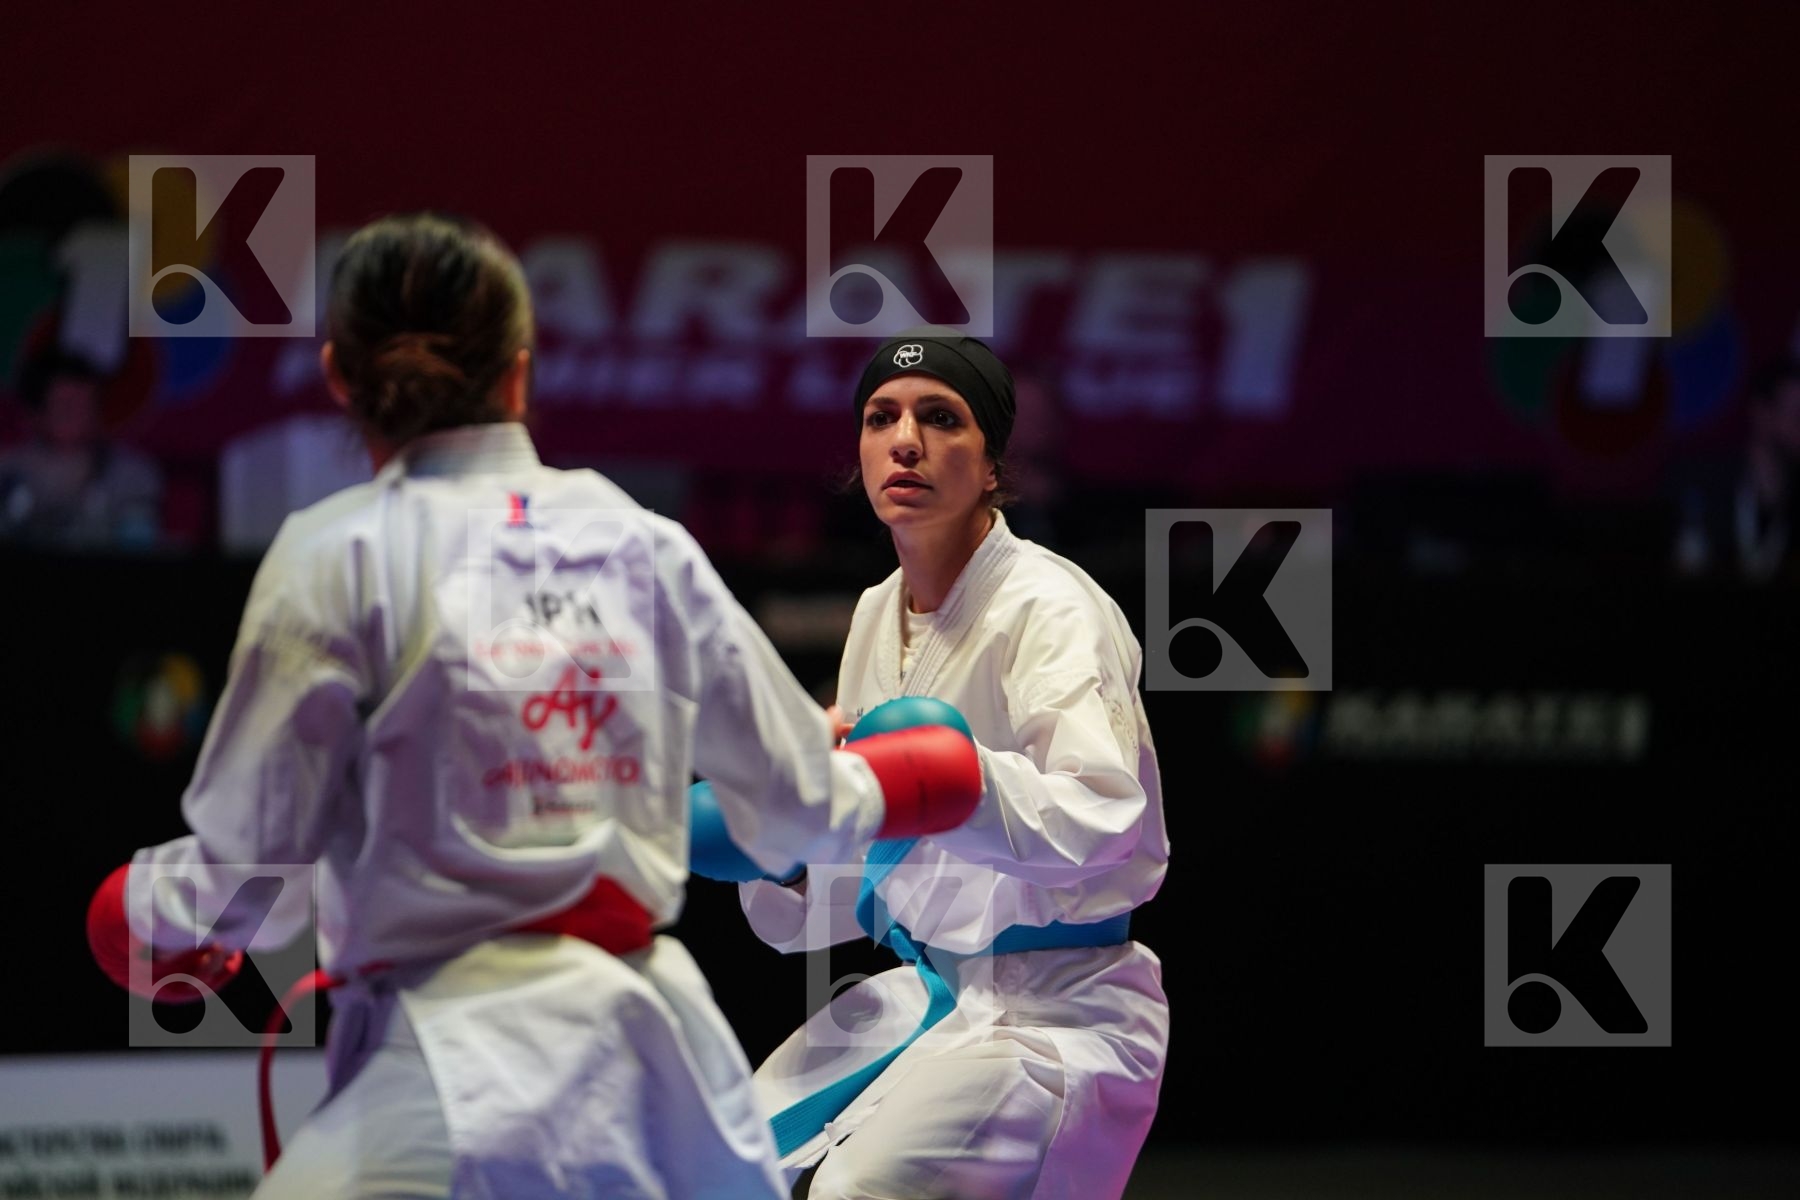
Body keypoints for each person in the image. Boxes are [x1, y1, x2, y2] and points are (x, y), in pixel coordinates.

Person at [83, 215, 983, 1199]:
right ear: (518, 377)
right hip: (658, 1077)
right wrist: (901, 782)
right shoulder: (639, 540)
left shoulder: (335, 553)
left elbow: (256, 876)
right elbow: (798, 812)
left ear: (340, 376)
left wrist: (152, 910)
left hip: (443, 1066)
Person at [736, 331, 1171, 1199]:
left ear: (993, 463)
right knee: (720, 1169)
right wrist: (786, 843)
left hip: (1059, 1010)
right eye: (881, 418)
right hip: (933, 992)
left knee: (855, 1191)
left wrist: (957, 783)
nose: (906, 441)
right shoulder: (876, 614)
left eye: (940, 418)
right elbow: (872, 877)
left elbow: (1104, 820)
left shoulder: (1051, 606)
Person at [0, 347, 161, 548]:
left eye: (85, 404)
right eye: (65, 405)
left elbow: (138, 551)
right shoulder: (8, 470)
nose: (77, 414)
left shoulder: (132, 475)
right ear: (36, 412)